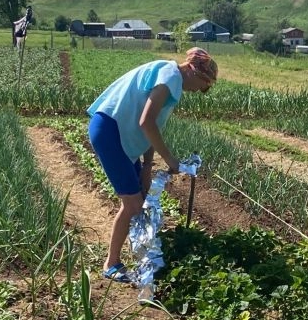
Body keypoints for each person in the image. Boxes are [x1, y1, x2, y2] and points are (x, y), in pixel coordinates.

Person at [87, 47, 217, 283]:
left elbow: (149, 124)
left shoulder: (168, 75)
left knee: (139, 199)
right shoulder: (170, 79)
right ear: (193, 70)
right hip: (111, 132)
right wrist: (170, 160)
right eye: (203, 84)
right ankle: (111, 263)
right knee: (133, 204)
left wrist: (147, 164)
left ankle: (138, 256)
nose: (200, 90)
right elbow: (146, 122)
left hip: (119, 133)